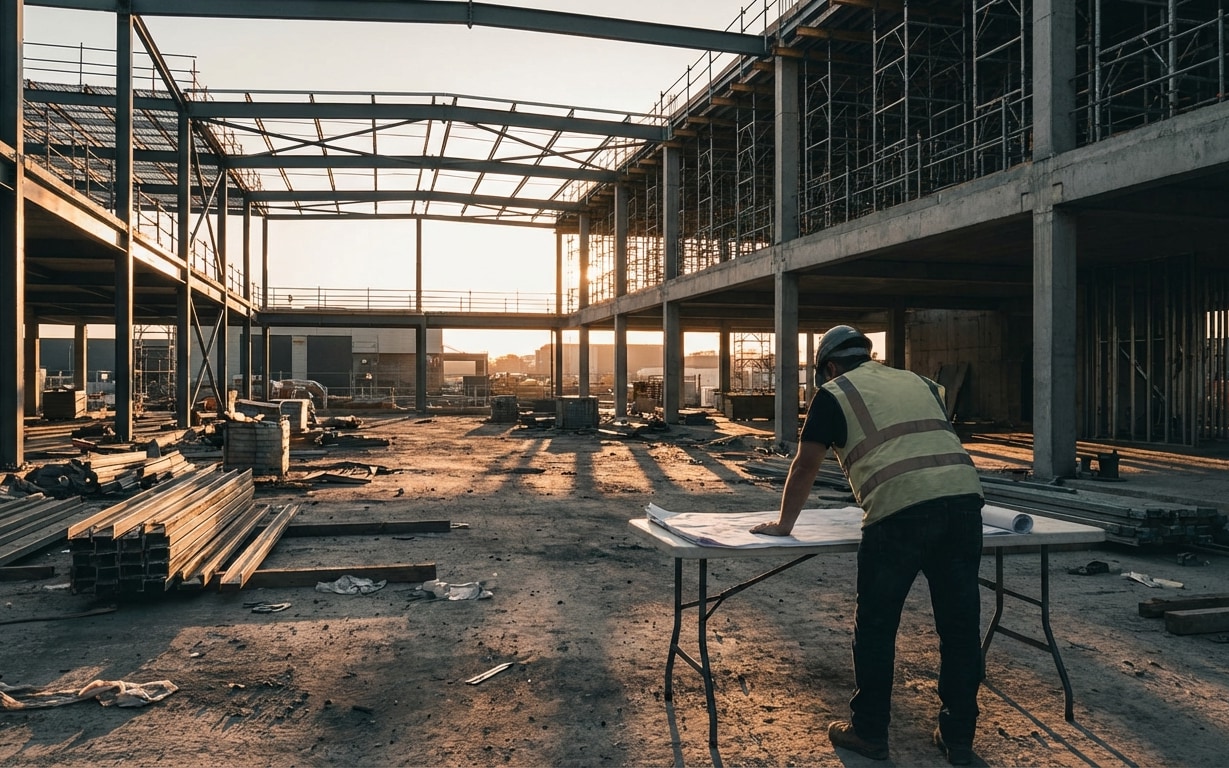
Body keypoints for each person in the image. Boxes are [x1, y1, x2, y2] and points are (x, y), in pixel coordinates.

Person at [750, 324, 985, 765]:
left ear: (831, 366)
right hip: (965, 507)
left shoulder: (834, 393)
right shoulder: (919, 381)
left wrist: (785, 524)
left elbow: (805, 465)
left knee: (877, 627)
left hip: (899, 515)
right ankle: (958, 740)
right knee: (959, 628)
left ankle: (870, 733)